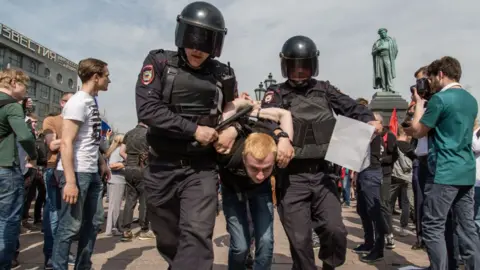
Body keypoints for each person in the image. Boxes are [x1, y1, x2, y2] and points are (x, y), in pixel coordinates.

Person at [260, 35, 382, 270]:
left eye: (304, 66)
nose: (299, 72)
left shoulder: (325, 90)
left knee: (335, 231)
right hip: (291, 178)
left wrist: (369, 120)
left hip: (323, 176)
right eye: (294, 67)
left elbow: (352, 107)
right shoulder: (276, 92)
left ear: (312, 65)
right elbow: (265, 119)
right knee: (300, 241)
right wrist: (281, 136)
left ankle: (329, 264)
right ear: (286, 66)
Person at [135, 2, 237, 269]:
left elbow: (232, 108)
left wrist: (231, 129)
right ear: (182, 34)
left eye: (205, 43)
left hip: (201, 169)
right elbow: (148, 109)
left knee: (196, 234)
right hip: (161, 167)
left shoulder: (223, 74)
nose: (197, 49)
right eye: (192, 39)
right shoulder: (158, 62)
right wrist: (194, 130)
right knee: (168, 237)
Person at [407, 56, 480, 270]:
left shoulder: (440, 99)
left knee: (433, 225)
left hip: (444, 170)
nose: (430, 83)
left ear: (441, 74)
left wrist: (419, 103)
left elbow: (419, 130)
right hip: (466, 170)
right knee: (467, 227)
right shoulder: (471, 99)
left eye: (431, 78)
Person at [216, 96, 293, 270]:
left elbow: (285, 114)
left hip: (261, 192)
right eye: (254, 168)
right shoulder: (228, 150)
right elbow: (229, 108)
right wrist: (246, 105)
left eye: (266, 169)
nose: (260, 175)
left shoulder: (279, 153)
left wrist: (285, 138)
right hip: (232, 190)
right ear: (243, 157)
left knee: (266, 242)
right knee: (240, 246)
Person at [51, 58, 111, 270]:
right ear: (96, 77)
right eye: (106, 75)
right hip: (77, 173)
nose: (109, 80)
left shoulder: (90, 101)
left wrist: (102, 162)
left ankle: (82, 266)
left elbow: (90, 140)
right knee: (69, 227)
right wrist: (70, 181)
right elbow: (66, 143)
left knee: (94, 223)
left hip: (92, 171)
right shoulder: (77, 102)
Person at [0, 68, 37, 270]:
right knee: (8, 220)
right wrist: (33, 154)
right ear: (14, 82)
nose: (26, 91)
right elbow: (24, 136)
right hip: (5, 167)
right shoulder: (12, 106)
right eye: (25, 86)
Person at [121, 121, 153, 241]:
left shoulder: (129, 133)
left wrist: (130, 160)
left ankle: (126, 230)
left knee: (130, 199)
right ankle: (144, 229)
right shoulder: (148, 134)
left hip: (129, 168)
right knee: (144, 200)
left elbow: (121, 152)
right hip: (143, 168)